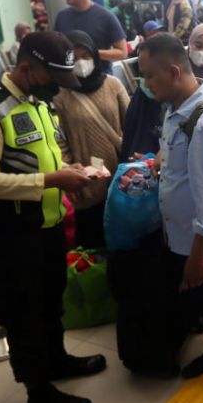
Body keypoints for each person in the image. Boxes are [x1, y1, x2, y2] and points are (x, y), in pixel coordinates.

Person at [0, 31, 107, 403]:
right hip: (13, 234)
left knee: (49, 302)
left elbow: (42, 159)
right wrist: (51, 181)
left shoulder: (39, 103)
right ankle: (38, 391)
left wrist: (68, 171)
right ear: (27, 68)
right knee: (24, 312)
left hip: (48, 225)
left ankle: (57, 360)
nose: (56, 90)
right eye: (51, 80)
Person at [139, 33, 203, 401]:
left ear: (171, 71)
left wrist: (198, 256)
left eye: (149, 76)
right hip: (182, 237)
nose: (146, 84)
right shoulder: (176, 108)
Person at [53, 30, 131, 248]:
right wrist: (68, 171)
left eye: (85, 55)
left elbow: (132, 125)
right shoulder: (60, 96)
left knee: (125, 245)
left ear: (95, 55)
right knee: (94, 248)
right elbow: (59, 142)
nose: (81, 62)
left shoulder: (113, 85)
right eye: (74, 57)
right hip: (86, 186)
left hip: (122, 181)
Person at [55, 0, 129, 72]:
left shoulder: (106, 17)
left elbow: (122, 52)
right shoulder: (61, 17)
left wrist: (91, 53)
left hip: (101, 81)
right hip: (72, 82)